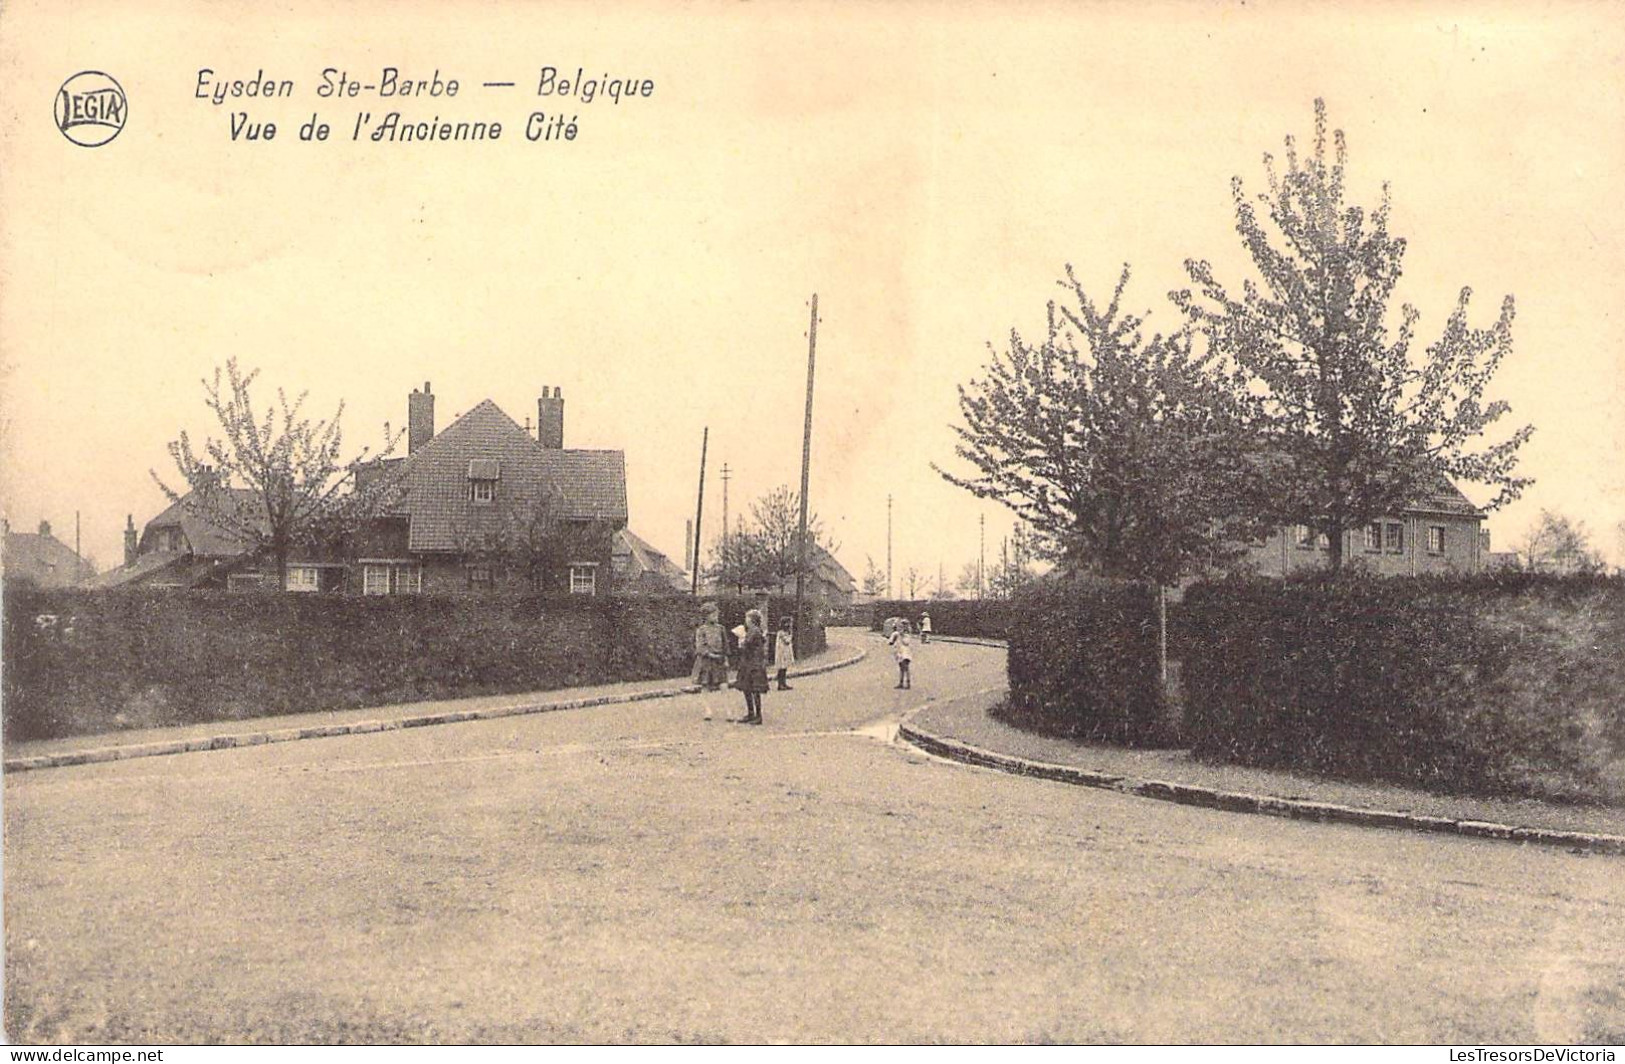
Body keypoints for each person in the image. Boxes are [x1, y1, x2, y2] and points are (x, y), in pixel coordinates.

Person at [692, 601, 728, 720]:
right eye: (713, 615)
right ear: (706, 616)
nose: (715, 617)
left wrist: (725, 658)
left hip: (719, 660)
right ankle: (708, 710)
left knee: (724, 685)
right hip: (706, 661)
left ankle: (728, 710)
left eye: (716, 615)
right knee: (705, 685)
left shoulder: (721, 628)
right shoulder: (701, 630)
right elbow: (700, 647)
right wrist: (710, 654)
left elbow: (725, 645)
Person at [733, 609, 770, 724]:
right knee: (748, 688)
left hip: (752, 663)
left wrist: (741, 641)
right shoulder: (755, 631)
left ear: (752, 620)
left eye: (747, 618)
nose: (746, 620)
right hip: (752, 663)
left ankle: (756, 715)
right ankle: (752, 714)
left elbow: (746, 645)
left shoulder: (754, 631)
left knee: (753, 689)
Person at [888, 621, 913, 689]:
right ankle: (901, 682)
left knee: (906, 667)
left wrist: (902, 636)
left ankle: (908, 683)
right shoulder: (897, 634)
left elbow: (906, 642)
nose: (901, 628)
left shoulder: (906, 635)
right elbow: (891, 642)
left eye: (902, 627)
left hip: (906, 653)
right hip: (899, 653)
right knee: (901, 668)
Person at [774, 616, 795, 690]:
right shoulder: (781, 633)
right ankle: (780, 684)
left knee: (784, 669)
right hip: (782, 653)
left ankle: (783, 683)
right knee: (781, 669)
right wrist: (791, 634)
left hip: (785, 653)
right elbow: (787, 641)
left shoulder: (784, 632)